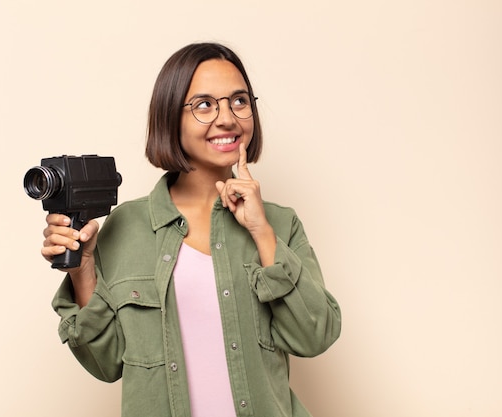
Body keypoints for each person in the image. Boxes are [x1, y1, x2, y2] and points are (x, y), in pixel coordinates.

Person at [41, 42, 341, 417]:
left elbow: (316, 336)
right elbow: (106, 363)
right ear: (170, 118)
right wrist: (82, 271)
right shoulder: (127, 227)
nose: (228, 118)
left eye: (239, 101)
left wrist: (261, 232)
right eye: (204, 105)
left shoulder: (280, 223)